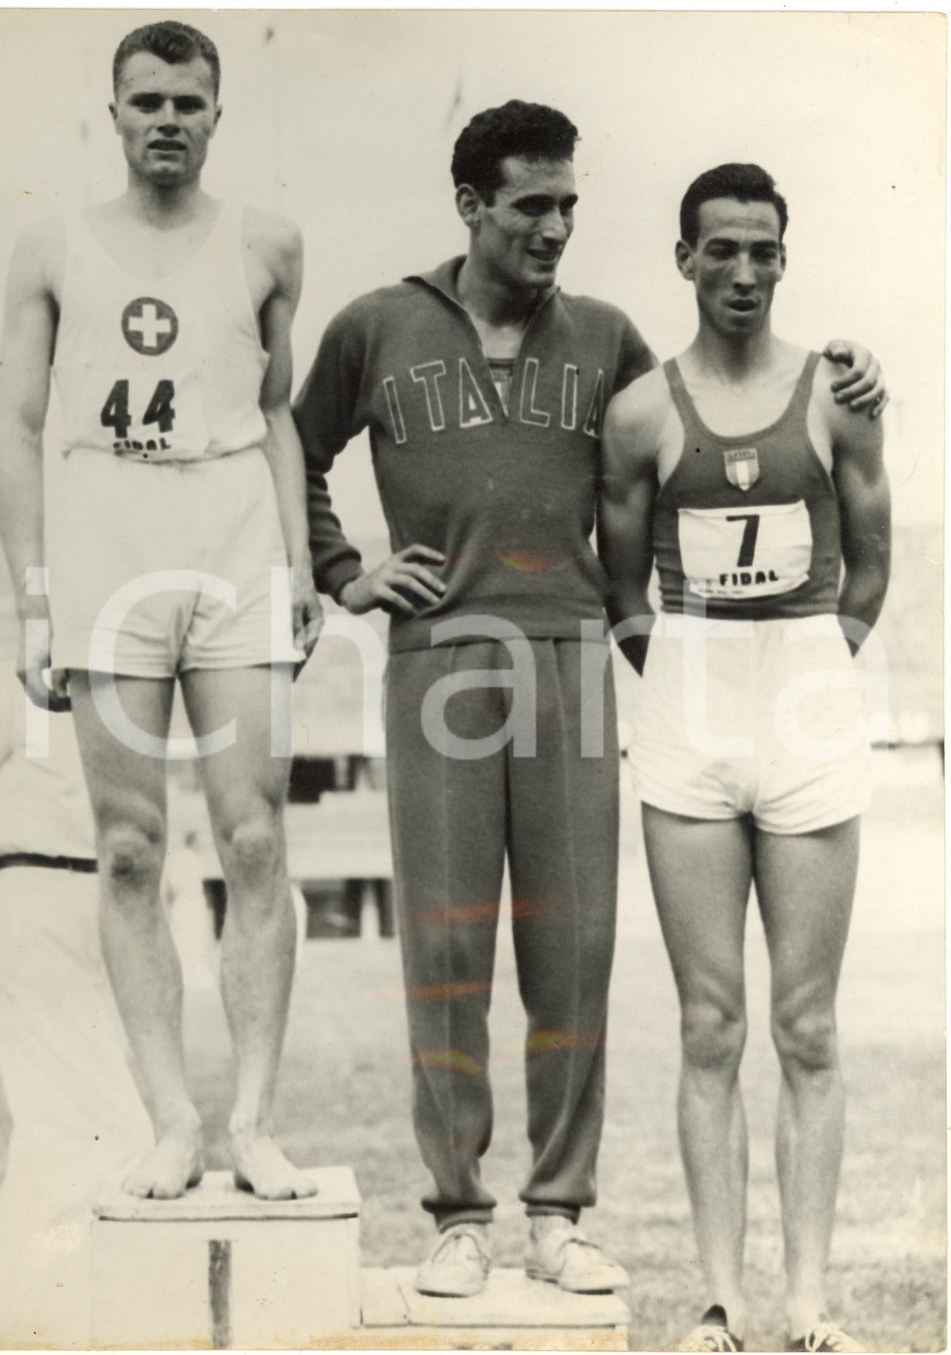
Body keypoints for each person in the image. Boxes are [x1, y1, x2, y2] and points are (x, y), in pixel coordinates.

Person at [294, 102, 887, 1299]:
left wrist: (852, 370)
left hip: (568, 661)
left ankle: (557, 1208)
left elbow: (708, 421)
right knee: (446, 946)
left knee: (571, 948)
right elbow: (291, 446)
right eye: (531, 205)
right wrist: (347, 571)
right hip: (438, 662)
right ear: (470, 204)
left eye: (570, 203)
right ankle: (459, 1212)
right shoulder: (375, 325)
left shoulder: (607, 341)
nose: (557, 226)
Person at [0, 20, 322, 1201]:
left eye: (188, 100)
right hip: (106, 541)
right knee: (128, 845)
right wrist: (36, 599)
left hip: (229, 537)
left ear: (217, 114)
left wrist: (291, 567)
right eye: (147, 101)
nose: (168, 120)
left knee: (253, 835)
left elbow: (277, 412)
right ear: (114, 113)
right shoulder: (53, 249)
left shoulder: (268, 243)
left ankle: (257, 1117)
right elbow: (21, 431)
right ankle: (171, 1119)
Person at [599, 163, 890, 1352]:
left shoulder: (838, 394)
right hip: (692, 705)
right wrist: (681, 683)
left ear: (784, 257)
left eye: (763, 250)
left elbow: (871, 559)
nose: (743, 272)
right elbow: (621, 585)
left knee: (808, 1026)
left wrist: (822, 658)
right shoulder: (640, 413)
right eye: (720, 250)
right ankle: (718, 1304)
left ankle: (808, 1306)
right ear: (684, 260)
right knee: (710, 1022)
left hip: (807, 696)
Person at [0, 663, 153, 1347]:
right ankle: (62, 1324)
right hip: (28, 892)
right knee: (112, 1132)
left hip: (112, 910)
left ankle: (16, 1326)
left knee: (52, 1133)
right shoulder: (11, 686)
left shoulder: (132, 689)